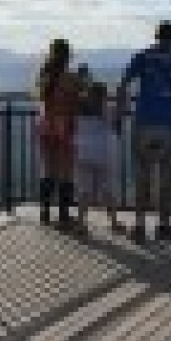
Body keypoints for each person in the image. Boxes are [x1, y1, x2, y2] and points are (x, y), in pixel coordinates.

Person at [117, 20, 171, 242]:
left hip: (144, 122)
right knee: (167, 176)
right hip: (169, 124)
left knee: (142, 174)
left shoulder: (142, 57)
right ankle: (163, 225)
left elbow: (123, 83)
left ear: (156, 36)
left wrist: (120, 111)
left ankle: (139, 225)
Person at [34, 38, 81, 226]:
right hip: (64, 127)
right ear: (67, 57)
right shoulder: (70, 79)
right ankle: (63, 214)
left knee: (48, 170)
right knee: (66, 172)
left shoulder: (43, 77)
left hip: (45, 126)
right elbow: (79, 99)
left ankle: (44, 212)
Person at [75, 80, 122, 232]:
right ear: (104, 96)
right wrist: (123, 96)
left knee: (84, 189)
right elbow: (117, 121)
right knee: (109, 189)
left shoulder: (80, 109)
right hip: (104, 153)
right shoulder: (107, 109)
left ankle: (81, 223)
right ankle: (114, 222)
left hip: (83, 152)